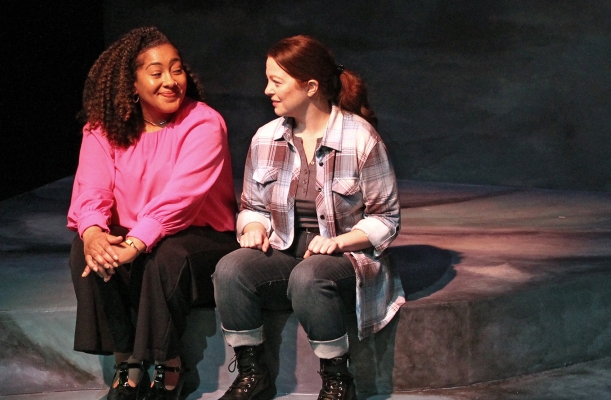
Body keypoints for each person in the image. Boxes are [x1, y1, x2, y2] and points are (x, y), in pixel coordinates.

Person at [213, 35, 405, 400]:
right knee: (231, 268)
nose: (267, 90)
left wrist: (338, 241)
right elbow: (251, 206)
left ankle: (338, 379)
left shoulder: (360, 139)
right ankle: (253, 372)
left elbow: (386, 219)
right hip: (288, 249)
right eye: (268, 80)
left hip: (348, 259)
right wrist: (253, 226)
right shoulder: (265, 138)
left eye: (277, 81)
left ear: (311, 86)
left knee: (309, 274)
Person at [67, 26, 238, 400]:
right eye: (157, 72)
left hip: (201, 236)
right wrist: (94, 232)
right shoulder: (102, 129)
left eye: (176, 70)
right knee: (86, 250)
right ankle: (126, 363)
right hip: (136, 236)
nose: (171, 81)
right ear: (132, 83)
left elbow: (181, 198)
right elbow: (92, 189)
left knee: (165, 255)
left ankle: (168, 364)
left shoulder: (203, 122)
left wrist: (135, 243)